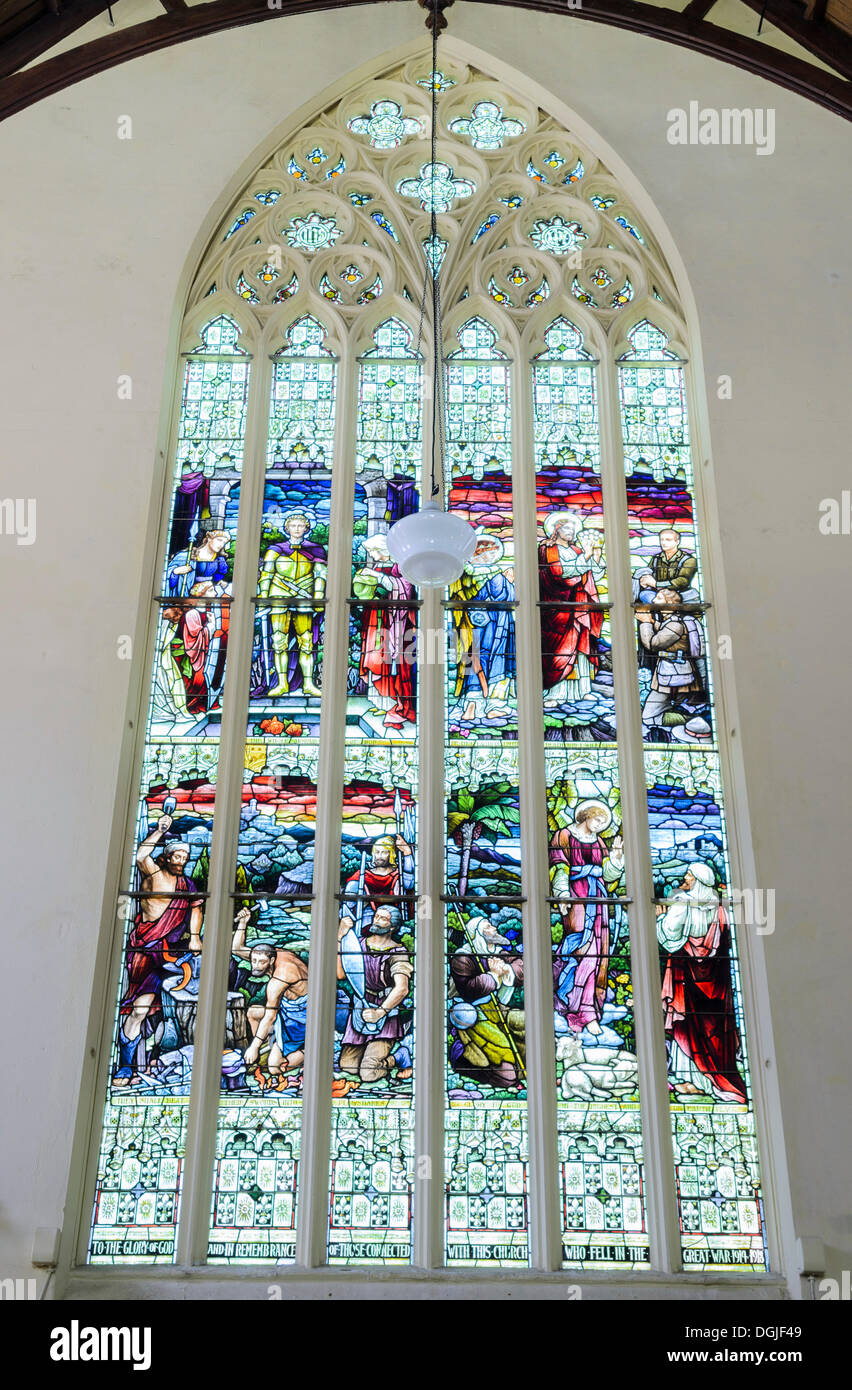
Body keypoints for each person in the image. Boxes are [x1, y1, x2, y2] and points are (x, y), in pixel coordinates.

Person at [114, 815, 203, 1085]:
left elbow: (196, 908)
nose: (181, 861)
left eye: (185, 858)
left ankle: (167, 1056)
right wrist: (160, 830)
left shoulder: (188, 885)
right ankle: (126, 1064)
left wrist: (196, 937)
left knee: (179, 998)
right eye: (176, 856)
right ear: (166, 857)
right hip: (144, 950)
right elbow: (141, 855)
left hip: (170, 953)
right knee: (138, 1010)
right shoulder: (152, 875)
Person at [656, 862, 747, 1102]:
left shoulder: (684, 903)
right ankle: (713, 1081)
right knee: (715, 1032)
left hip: (687, 980)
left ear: (697, 879)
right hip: (717, 986)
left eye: (688, 875)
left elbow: (668, 936)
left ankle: (691, 1079)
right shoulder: (720, 910)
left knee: (688, 1027)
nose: (685, 878)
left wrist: (660, 918)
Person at [549, 801, 624, 1036]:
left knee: (596, 957)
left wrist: (617, 859)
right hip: (577, 899)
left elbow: (607, 876)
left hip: (598, 899)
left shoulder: (599, 842)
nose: (600, 826)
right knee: (580, 951)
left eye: (604, 823)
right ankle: (570, 1005)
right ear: (587, 815)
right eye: (598, 820)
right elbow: (559, 867)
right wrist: (562, 894)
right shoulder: (563, 835)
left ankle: (588, 1010)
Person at [232, 907, 309, 1088]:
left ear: (271, 961)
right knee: (253, 1012)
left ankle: (311, 1051)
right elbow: (236, 949)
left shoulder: (279, 979)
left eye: (261, 962)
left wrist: (254, 1047)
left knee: (274, 1067)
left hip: (301, 1018)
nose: (256, 966)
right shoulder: (269, 953)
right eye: (254, 961)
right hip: (287, 1011)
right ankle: (270, 1044)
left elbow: (270, 1016)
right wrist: (243, 923)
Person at [336, 906, 413, 1084]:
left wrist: (380, 1012)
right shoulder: (358, 944)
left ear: (392, 926)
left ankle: (398, 1058)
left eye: (383, 918)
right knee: (348, 1066)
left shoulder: (398, 953)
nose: (376, 920)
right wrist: (339, 938)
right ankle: (372, 1056)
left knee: (368, 1074)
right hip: (360, 1010)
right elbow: (340, 974)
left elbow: (402, 988)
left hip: (385, 1013)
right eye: (376, 916)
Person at [448, 916, 525, 1089]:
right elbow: (469, 990)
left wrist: (507, 970)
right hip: (474, 1014)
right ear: (478, 934)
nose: (494, 928)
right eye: (489, 927)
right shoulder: (463, 958)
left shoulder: (499, 953)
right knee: (506, 1068)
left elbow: (522, 965)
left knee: (526, 1024)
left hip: (498, 1007)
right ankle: (462, 1058)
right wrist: (494, 976)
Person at [257, 510, 326, 697]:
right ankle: (281, 683)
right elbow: (267, 574)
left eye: (300, 525)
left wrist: (318, 596)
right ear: (286, 528)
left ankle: (309, 684)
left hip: (305, 597)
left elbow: (320, 574)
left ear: (307, 528)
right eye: (293, 526)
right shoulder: (275, 550)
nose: (297, 529)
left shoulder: (316, 549)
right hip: (278, 595)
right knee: (279, 642)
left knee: (306, 642)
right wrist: (264, 597)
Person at [353, 532, 416, 729]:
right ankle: (384, 702)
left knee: (395, 665)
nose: (372, 556)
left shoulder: (401, 566)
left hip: (397, 626)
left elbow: (404, 589)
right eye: (370, 552)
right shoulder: (378, 567)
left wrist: (377, 576)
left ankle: (401, 705)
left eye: (374, 551)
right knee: (377, 661)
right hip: (377, 622)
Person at [538, 512, 603, 703]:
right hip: (559, 607)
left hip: (580, 605)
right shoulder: (548, 549)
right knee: (561, 649)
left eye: (573, 528)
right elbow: (559, 574)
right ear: (556, 530)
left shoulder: (576, 550)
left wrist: (595, 558)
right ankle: (557, 692)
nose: (571, 531)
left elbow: (592, 576)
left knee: (581, 646)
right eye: (567, 528)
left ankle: (582, 690)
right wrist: (586, 557)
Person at [449, 536, 516, 722]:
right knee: (483, 662)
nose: (486, 556)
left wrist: (507, 581)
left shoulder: (497, 575)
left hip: (497, 626)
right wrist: (505, 580)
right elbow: (492, 596)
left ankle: (488, 706)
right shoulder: (478, 575)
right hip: (485, 627)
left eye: (490, 552)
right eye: (481, 552)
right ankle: (476, 705)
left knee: (494, 663)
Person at [636, 588, 706, 735]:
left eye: (659, 598)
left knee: (648, 717)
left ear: (670, 603)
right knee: (667, 707)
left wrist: (645, 623)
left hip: (675, 675)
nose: (654, 601)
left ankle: (690, 719)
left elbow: (652, 644)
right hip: (669, 672)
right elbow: (663, 631)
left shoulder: (676, 625)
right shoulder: (671, 622)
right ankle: (690, 719)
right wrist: (652, 622)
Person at [339, 834, 415, 936]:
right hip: (366, 917)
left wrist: (407, 852)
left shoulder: (398, 875)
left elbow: (409, 884)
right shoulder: (361, 875)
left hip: (394, 920)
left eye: (384, 852)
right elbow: (349, 904)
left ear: (392, 854)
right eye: (377, 852)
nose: (379, 856)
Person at [635, 528, 698, 602]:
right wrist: (644, 581)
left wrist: (656, 584)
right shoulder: (656, 558)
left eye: (668, 540)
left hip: (680, 595)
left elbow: (683, 581)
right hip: (659, 594)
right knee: (644, 595)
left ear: (677, 542)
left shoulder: (688, 560)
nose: (664, 543)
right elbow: (650, 574)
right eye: (662, 539)